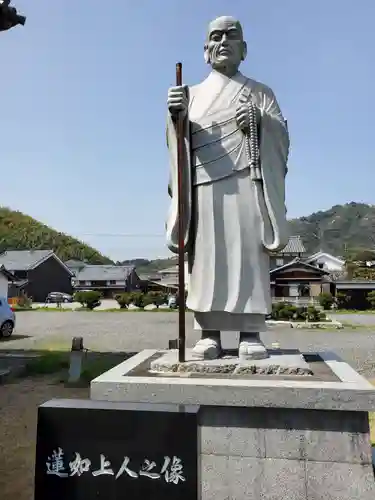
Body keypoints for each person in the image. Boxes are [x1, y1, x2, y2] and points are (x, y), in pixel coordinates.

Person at [166, 16, 290, 360]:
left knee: (249, 256)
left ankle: (251, 332)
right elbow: (178, 147)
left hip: (247, 183)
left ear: (244, 49)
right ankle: (209, 333)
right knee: (207, 260)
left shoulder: (261, 93)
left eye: (231, 36)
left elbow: (281, 138)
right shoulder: (190, 94)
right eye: (215, 37)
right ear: (206, 51)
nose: (223, 42)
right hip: (204, 188)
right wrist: (175, 118)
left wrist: (260, 122)